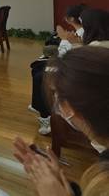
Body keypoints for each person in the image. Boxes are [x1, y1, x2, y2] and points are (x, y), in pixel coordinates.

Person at [13, 46, 109, 196]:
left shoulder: (103, 177)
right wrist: (62, 185)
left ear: (71, 108)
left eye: (57, 95)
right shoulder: (104, 159)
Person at [31, 7, 109, 135]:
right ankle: (40, 108)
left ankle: (45, 115)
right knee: (39, 70)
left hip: (90, 102)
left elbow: (75, 65)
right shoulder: (99, 44)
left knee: (43, 75)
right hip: (95, 93)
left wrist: (71, 43)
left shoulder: (95, 49)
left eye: (82, 23)